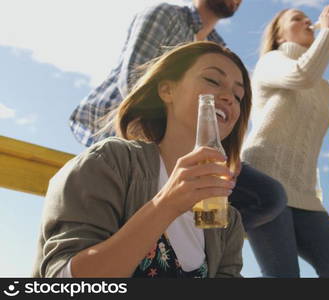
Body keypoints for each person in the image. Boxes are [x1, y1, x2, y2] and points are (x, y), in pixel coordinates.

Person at [33, 41, 251, 278]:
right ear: (167, 90)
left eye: (238, 95)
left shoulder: (228, 224)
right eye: (212, 80)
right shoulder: (109, 162)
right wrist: (167, 204)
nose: (229, 96)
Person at [68, 0, 286, 232]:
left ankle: (201, 243)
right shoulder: (165, 14)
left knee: (267, 196)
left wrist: (223, 155)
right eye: (212, 79)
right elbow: (135, 81)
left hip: (189, 145)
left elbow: (221, 113)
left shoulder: (219, 48)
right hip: (126, 126)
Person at [241, 5, 329, 278]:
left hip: (303, 193)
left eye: (307, 17)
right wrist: (328, 30)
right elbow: (301, 75)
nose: (307, 20)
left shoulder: (322, 86)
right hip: (263, 182)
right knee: (283, 276)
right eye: (296, 18)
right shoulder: (271, 61)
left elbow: (309, 75)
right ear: (279, 35)